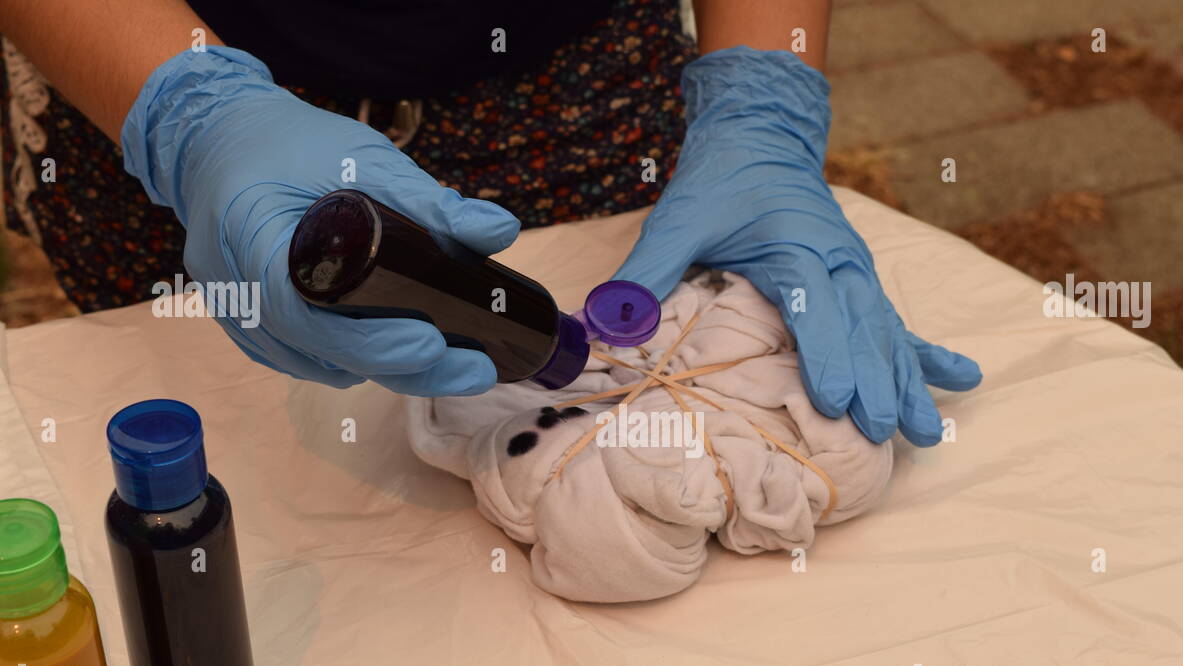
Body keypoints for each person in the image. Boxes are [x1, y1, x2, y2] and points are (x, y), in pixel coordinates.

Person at [0, 0, 979, 446]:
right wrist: (190, 115)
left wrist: (763, 96)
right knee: (222, 461)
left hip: (578, 78)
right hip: (147, 60)